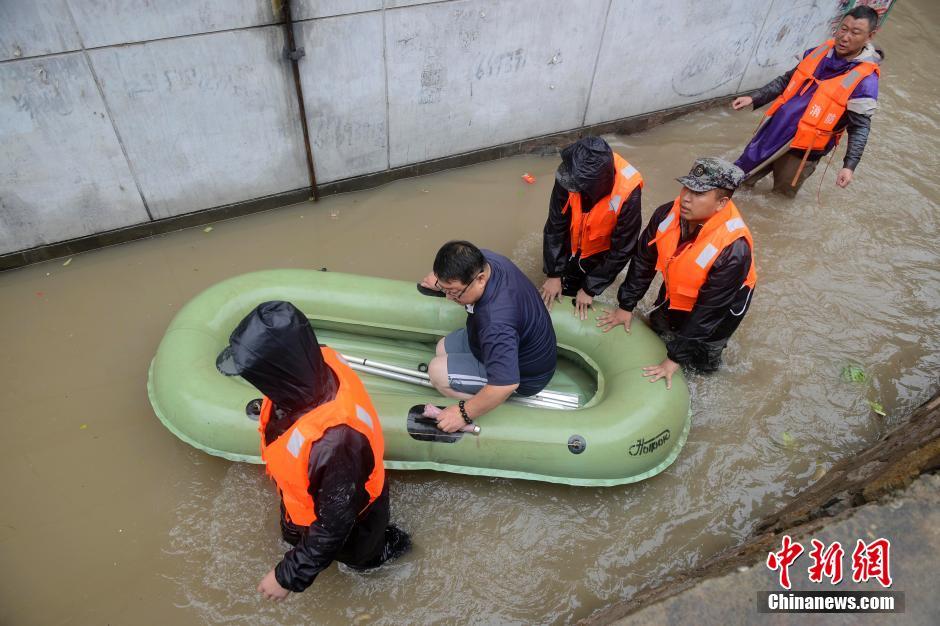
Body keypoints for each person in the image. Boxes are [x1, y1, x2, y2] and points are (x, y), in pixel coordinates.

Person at [216, 301, 410, 601]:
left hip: (357, 522)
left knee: (368, 560)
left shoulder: (336, 442)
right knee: (300, 536)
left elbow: (335, 523)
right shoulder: (313, 366)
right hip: (309, 502)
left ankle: (395, 551)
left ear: (277, 374)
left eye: (257, 375)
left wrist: (288, 575)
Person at [597, 158, 756, 388]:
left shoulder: (734, 250)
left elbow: (708, 313)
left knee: (703, 358)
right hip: (680, 283)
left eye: (699, 194)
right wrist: (626, 305)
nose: (686, 198)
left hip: (721, 307)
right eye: (686, 188)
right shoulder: (666, 214)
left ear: (721, 203)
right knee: (660, 326)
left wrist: (673, 360)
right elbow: (643, 261)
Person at [731, 6, 883, 196]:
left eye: (855, 32)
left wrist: (849, 166)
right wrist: (754, 97)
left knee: (779, 197)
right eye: (843, 29)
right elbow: (787, 80)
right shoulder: (819, 52)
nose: (845, 37)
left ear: (870, 35)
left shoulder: (866, 81)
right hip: (775, 130)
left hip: (803, 150)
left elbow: (860, 126)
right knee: (737, 179)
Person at [419, 241, 557, 432]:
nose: (449, 298)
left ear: (481, 279)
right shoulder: (485, 260)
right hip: (512, 342)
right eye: (445, 290)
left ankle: (493, 409)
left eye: (454, 292)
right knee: (441, 348)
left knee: (437, 372)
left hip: (525, 375)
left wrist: (463, 413)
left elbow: (506, 384)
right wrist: (441, 282)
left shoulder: (495, 323)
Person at [541, 136, 643, 319]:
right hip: (574, 236)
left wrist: (590, 288)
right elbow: (555, 224)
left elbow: (623, 249)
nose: (571, 189)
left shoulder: (628, 193)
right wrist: (553, 273)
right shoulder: (569, 174)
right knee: (562, 284)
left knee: (584, 289)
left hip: (601, 247)